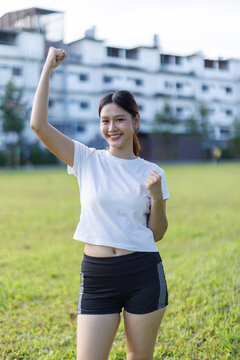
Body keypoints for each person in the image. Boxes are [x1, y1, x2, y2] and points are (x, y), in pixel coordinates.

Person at [30, 47, 171, 360]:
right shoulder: (85, 159)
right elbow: (39, 125)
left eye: (120, 119)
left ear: (135, 121)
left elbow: (157, 233)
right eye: (105, 121)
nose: (112, 128)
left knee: (139, 357)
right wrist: (47, 70)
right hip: (97, 276)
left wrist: (157, 196)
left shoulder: (152, 172)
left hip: (143, 273)